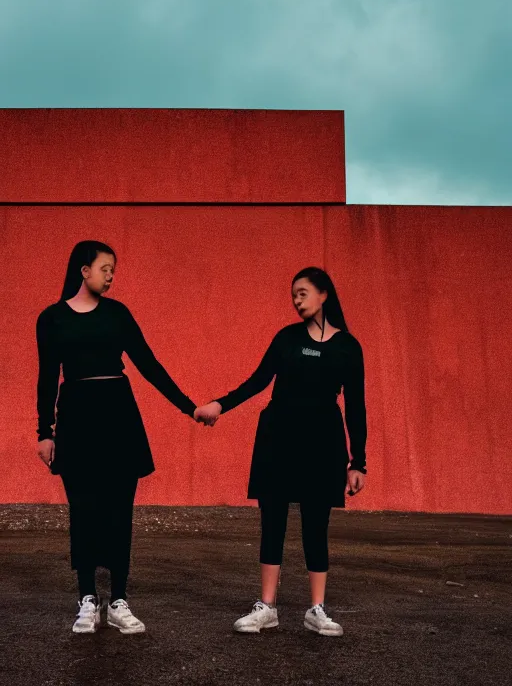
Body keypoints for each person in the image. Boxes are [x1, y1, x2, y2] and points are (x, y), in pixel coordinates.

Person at [36, 240, 212, 635]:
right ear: (84, 270)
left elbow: (149, 365)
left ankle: (117, 600)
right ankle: (87, 599)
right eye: (105, 268)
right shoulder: (52, 319)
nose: (111, 275)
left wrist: (189, 407)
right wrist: (44, 432)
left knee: (119, 509)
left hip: (118, 415)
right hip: (77, 417)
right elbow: (47, 379)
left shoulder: (118, 315)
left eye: (114, 269)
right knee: (82, 508)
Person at [195, 267, 367, 637]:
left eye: (303, 293)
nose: (296, 300)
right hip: (278, 438)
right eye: (293, 295)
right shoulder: (286, 339)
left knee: (315, 525)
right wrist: (219, 405)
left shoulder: (347, 347)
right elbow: (258, 381)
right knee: (272, 521)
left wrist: (359, 462)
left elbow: (356, 406)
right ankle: (267, 607)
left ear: (324, 294)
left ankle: (316, 609)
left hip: (323, 443)